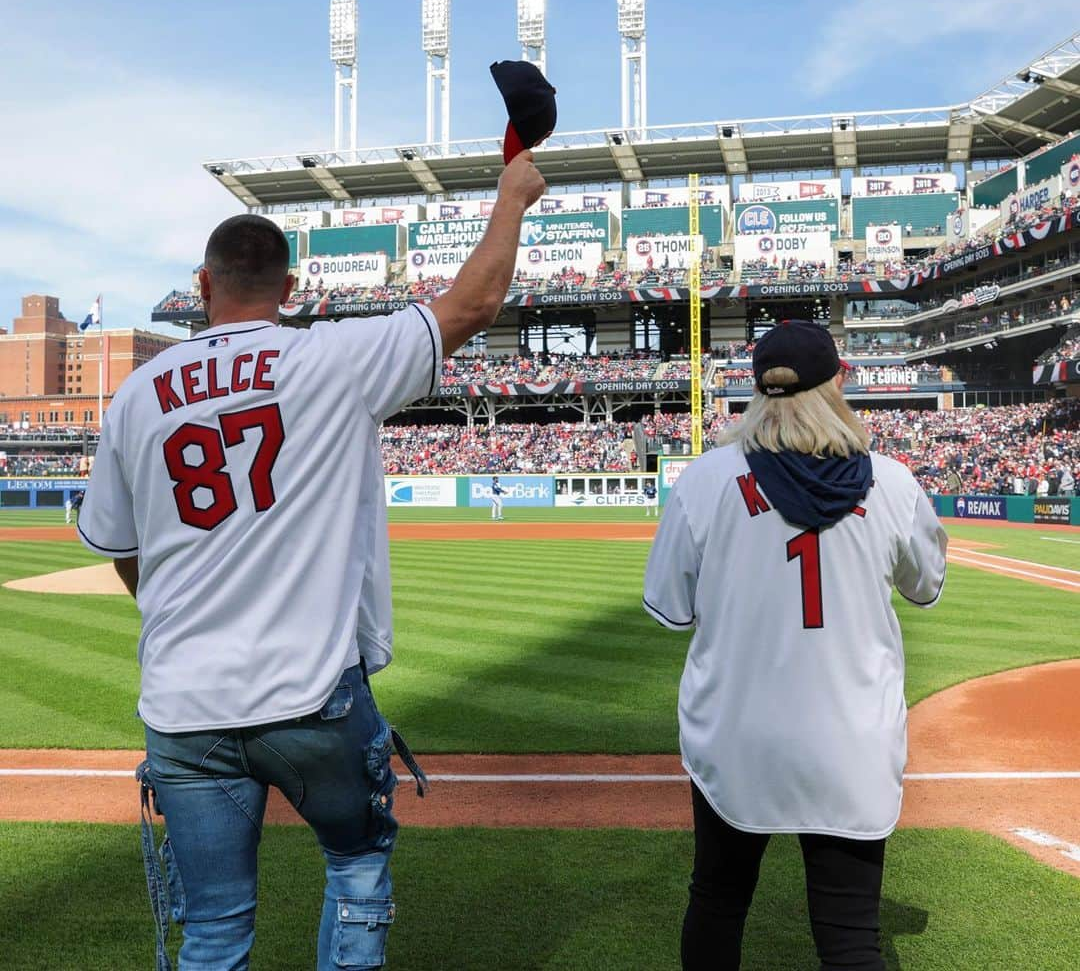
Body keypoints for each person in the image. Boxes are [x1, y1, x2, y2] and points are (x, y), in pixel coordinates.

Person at [75, 152, 546, 970]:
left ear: (202, 283)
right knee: (357, 868)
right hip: (309, 691)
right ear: (288, 290)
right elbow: (474, 304)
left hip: (185, 699)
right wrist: (511, 198)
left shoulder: (138, 395)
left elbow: (122, 551)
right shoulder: (333, 356)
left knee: (215, 931)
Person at [643, 319, 947, 971]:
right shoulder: (892, 482)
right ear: (839, 382)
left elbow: (670, 611)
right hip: (850, 737)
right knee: (849, 936)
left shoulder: (704, 479)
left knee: (718, 903)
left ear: (756, 390)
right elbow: (926, 587)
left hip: (737, 733)